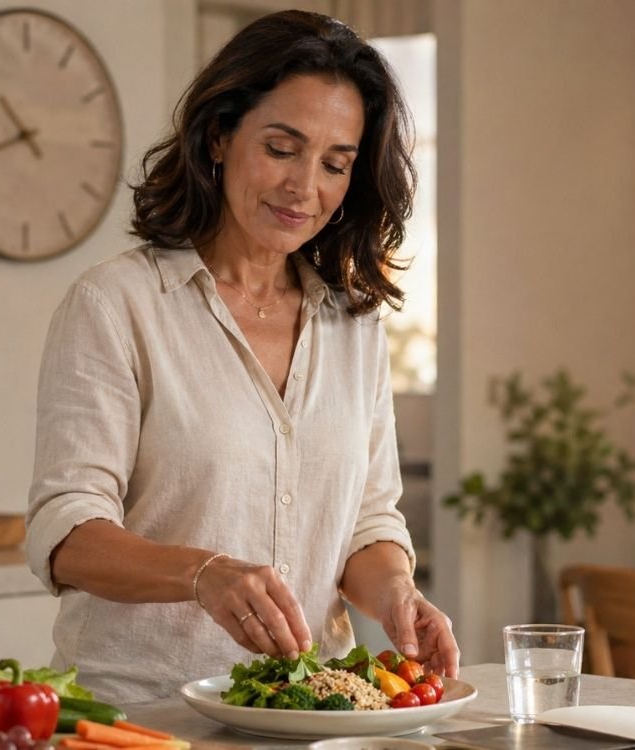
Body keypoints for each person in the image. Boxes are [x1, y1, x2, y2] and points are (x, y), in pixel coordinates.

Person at [25, 9, 459, 704]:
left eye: (335, 164)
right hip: (141, 714)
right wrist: (205, 573)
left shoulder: (354, 324)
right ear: (220, 136)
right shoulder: (117, 304)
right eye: (282, 148)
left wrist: (399, 595)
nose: (304, 187)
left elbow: (367, 524)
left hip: (307, 711)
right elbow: (67, 532)